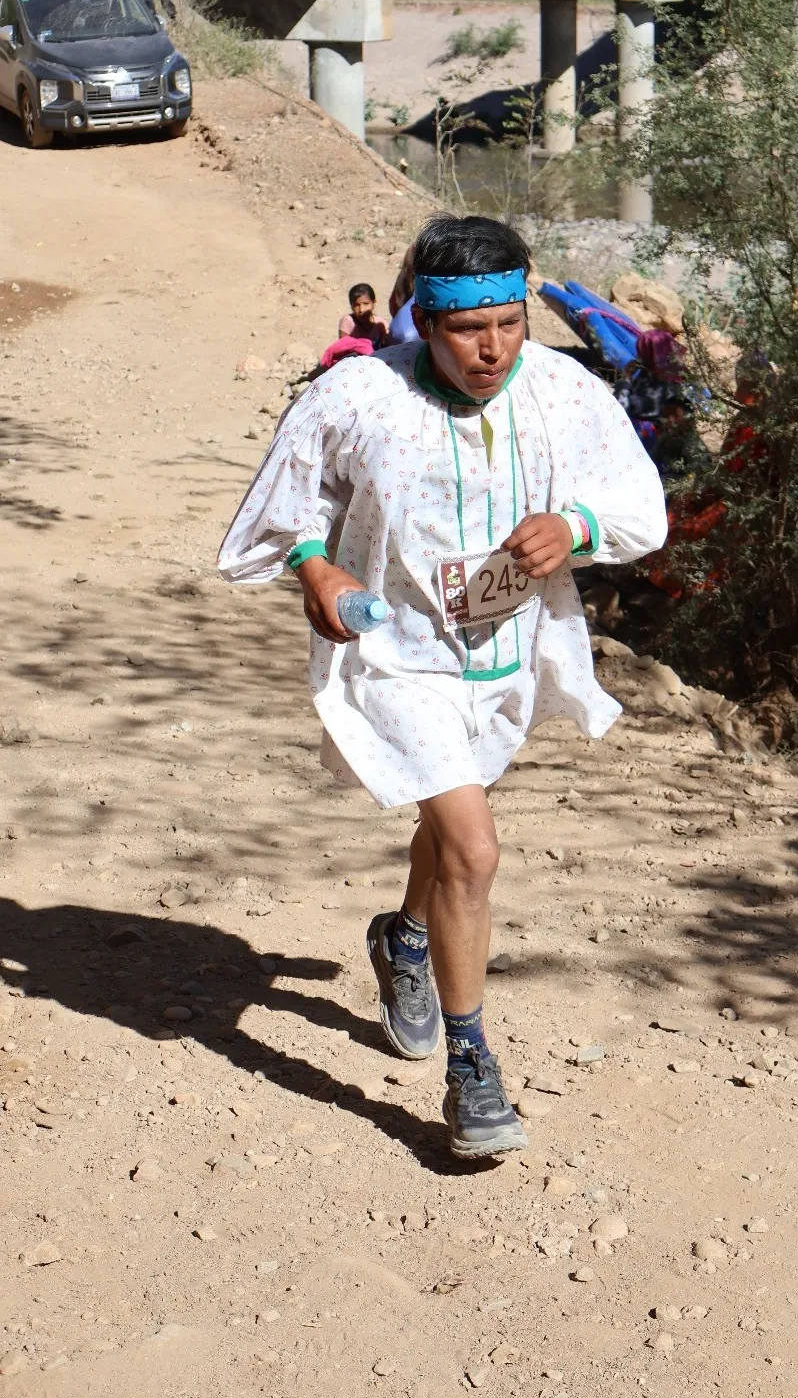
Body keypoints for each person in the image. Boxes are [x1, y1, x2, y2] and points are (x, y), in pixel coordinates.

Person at [218, 213, 667, 1159]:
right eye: (470, 329)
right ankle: (473, 1070)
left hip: (505, 656)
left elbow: (639, 506)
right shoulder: (356, 398)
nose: (493, 349)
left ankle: (405, 939)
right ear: (424, 318)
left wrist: (576, 528)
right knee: (474, 845)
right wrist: (315, 569)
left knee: (447, 835)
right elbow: (290, 505)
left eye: (509, 322)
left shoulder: (565, 392)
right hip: (395, 658)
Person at [338, 282, 388, 348]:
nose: (361, 309)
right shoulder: (348, 321)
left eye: (366, 304)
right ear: (352, 307)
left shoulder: (381, 324)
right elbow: (343, 348)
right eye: (356, 305)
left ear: (374, 303)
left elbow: (387, 346)